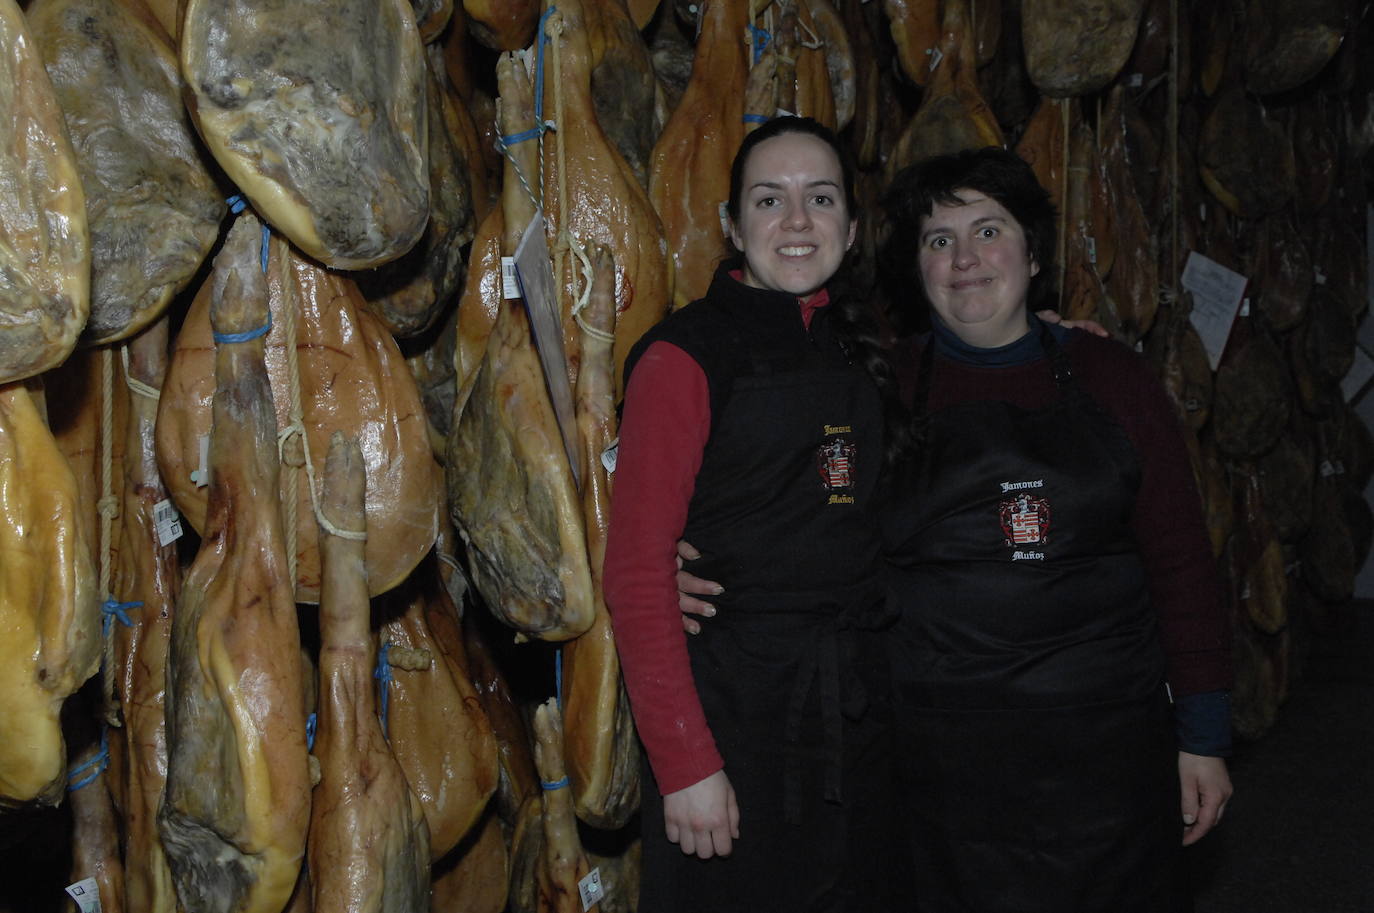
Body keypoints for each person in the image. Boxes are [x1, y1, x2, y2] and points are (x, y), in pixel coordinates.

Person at [678, 146, 1234, 912]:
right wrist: (694, 558)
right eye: (940, 240)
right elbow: (797, 514)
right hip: (938, 767)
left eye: (989, 231)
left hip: (1103, 757)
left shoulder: (1115, 379)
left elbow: (1182, 563)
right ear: (918, 266)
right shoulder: (874, 384)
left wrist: (1202, 733)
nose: (966, 259)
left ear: (1032, 253)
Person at [602, 116, 908, 912]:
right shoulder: (683, 357)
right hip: (734, 722)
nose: (798, 221)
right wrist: (685, 762)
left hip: (855, 717)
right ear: (733, 226)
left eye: (821, 198)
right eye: (771, 200)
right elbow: (637, 569)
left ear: (850, 222)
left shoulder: (860, 345)